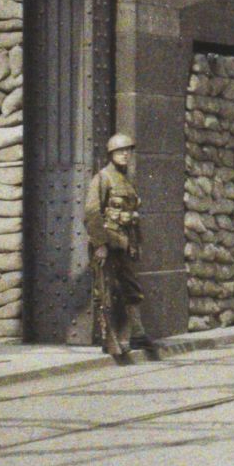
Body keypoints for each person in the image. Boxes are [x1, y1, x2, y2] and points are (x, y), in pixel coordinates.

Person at [84, 132, 146, 359]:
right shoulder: (103, 178)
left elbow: (132, 216)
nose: (125, 155)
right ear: (111, 154)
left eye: (128, 151)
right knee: (106, 292)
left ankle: (130, 336)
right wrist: (100, 244)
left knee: (130, 290)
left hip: (125, 243)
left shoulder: (127, 181)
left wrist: (135, 243)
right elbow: (92, 213)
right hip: (108, 244)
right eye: (120, 151)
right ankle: (108, 339)